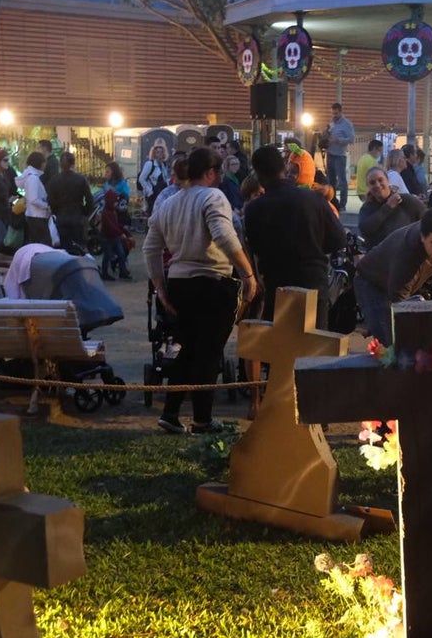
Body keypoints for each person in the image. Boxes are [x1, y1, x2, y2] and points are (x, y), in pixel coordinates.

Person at [143, 147, 258, 435]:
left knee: (184, 349)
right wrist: (247, 273)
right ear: (210, 173)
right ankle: (202, 420)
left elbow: (151, 247)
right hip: (212, 282)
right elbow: (223, 235)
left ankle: (170, 413)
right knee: (208, 352)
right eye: (217, 172)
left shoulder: (168, 204)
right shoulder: (213, 196)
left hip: (179, 283)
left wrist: (160, 286)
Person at [244, 145, 347, 326]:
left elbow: (255, 248)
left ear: (259, 175)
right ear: (284, 168)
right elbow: (339, 239)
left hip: (277, 286)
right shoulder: (314, 199)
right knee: (313, 345)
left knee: (280, 347)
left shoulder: (254, 209)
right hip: (313, 281)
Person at [353, 207, 432, 346]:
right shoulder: (406, 255)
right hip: (372, 283)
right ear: (423, 237)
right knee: (395, 344)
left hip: (401, 280)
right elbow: (400, 306)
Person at [359, 167, 425, 250]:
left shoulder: (407, 201)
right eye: (372, 183)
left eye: (380, 180)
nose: (377, 185)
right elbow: (365, 229)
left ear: (387, 180)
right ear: (368, 186)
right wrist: (388, 207)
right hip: (379, 257)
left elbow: (427, 219)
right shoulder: (367, 208)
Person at [47, 151, 95, 255]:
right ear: (73, 163)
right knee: (78, 247)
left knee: (64, 248)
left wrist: (56, 211)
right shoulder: (81, 179)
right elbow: (90, 199)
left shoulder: (54, 180)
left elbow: (51, 200)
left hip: (61, 217)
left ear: (60, 164)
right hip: (77, 216)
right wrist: (85, 212)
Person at [99, 161, 132, 280]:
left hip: (121, 217)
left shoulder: (122, 184)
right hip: (113, 225)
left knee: (123, 248)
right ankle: (116, 268)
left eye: (108, 171)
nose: (106, 174)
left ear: (113, 172)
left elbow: (126, 199)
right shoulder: (107, 185)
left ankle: (120, 267)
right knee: (112, 251)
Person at [16, 151, 52, 247]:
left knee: (38, 244)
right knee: (43, 245)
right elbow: (34, 199)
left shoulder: (32, 177)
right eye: (44, 163)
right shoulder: (33, 179)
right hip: (37, 217)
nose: (45, 165)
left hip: (35, 216)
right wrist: (46, 206)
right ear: (39, 163)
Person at [323, 102, 355, 211]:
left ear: (341, 112)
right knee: (330, 181)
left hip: (339, 156)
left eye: (336, 113)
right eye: (332, 113)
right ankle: (332, 202)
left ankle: (342, 205)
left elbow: (351, 139)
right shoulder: (332, 123)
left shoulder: (347, 124)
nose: (334, 115)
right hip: (330, 154)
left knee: (341, 182)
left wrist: (338, 140)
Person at [138, 143, 170, 218]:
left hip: (162, 193)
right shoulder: (149, 164)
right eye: (157, 152)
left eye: (161, 152)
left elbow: (165, 179)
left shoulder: (163, 165)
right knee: (152, 215)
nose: (159, 154)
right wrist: (149, 191)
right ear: (154, 154)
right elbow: (141, 179)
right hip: (153, 194)